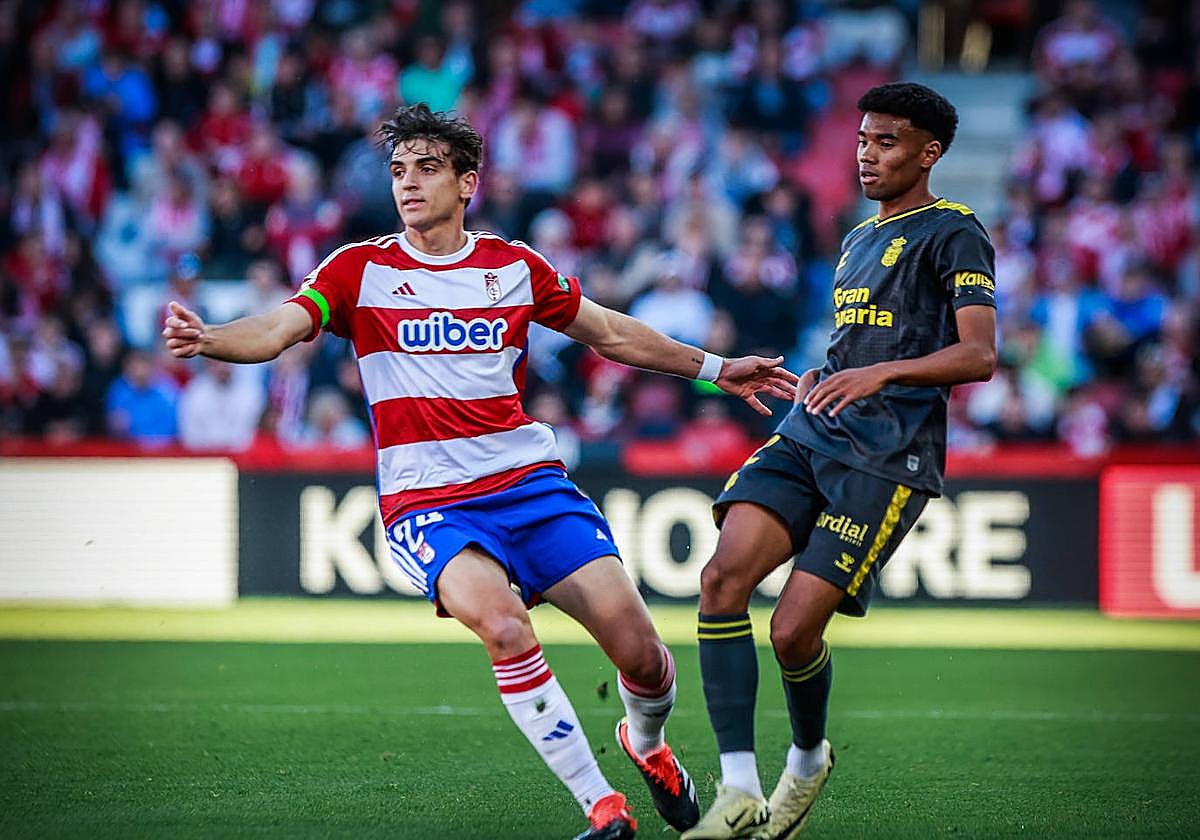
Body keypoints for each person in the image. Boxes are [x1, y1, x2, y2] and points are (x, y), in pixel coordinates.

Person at [162, 103, 799, 840]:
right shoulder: (360, 270)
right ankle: (602, 806)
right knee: (504, 625)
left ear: (468, 183)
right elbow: (277, 328)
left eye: (427, 169)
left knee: (644, 657)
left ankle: (647, 745)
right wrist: (211, 337)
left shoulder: (512, 268)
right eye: (399, 171)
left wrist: (718, 369)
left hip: (531, 488)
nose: (408, 184)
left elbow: (611, 332)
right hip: (428, 504)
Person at [684, 82, 998, 840]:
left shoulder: (955, 231)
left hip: (888, 457)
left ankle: (806, 756)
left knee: (793, 634)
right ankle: (735, 791)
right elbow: (860, 343)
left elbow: (979, 353)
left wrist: (883, 373)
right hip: (812, 431)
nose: (866, 153)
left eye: (886, 142)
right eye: (861, 139)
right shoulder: (856, 239)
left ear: (929, 153)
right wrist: (829, 372)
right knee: (722, 579)